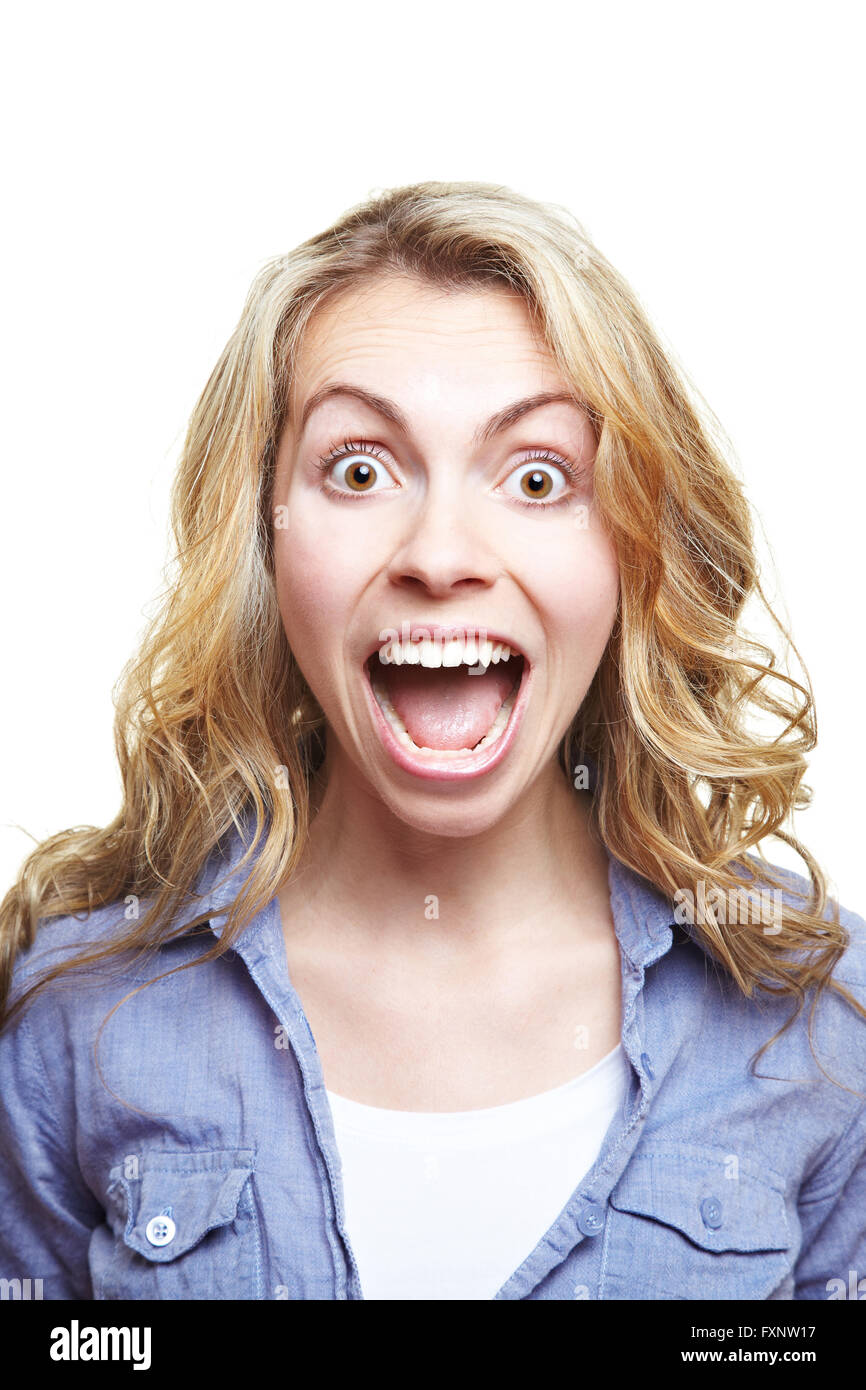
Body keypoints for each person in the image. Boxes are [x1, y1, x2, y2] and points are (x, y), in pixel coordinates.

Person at [1, 180, 864, 1302]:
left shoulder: (818, 1023)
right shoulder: (77, 1018)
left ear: (632, 547)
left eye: (537, 477)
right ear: (261, 542)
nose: (440, 551)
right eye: (357, 470)